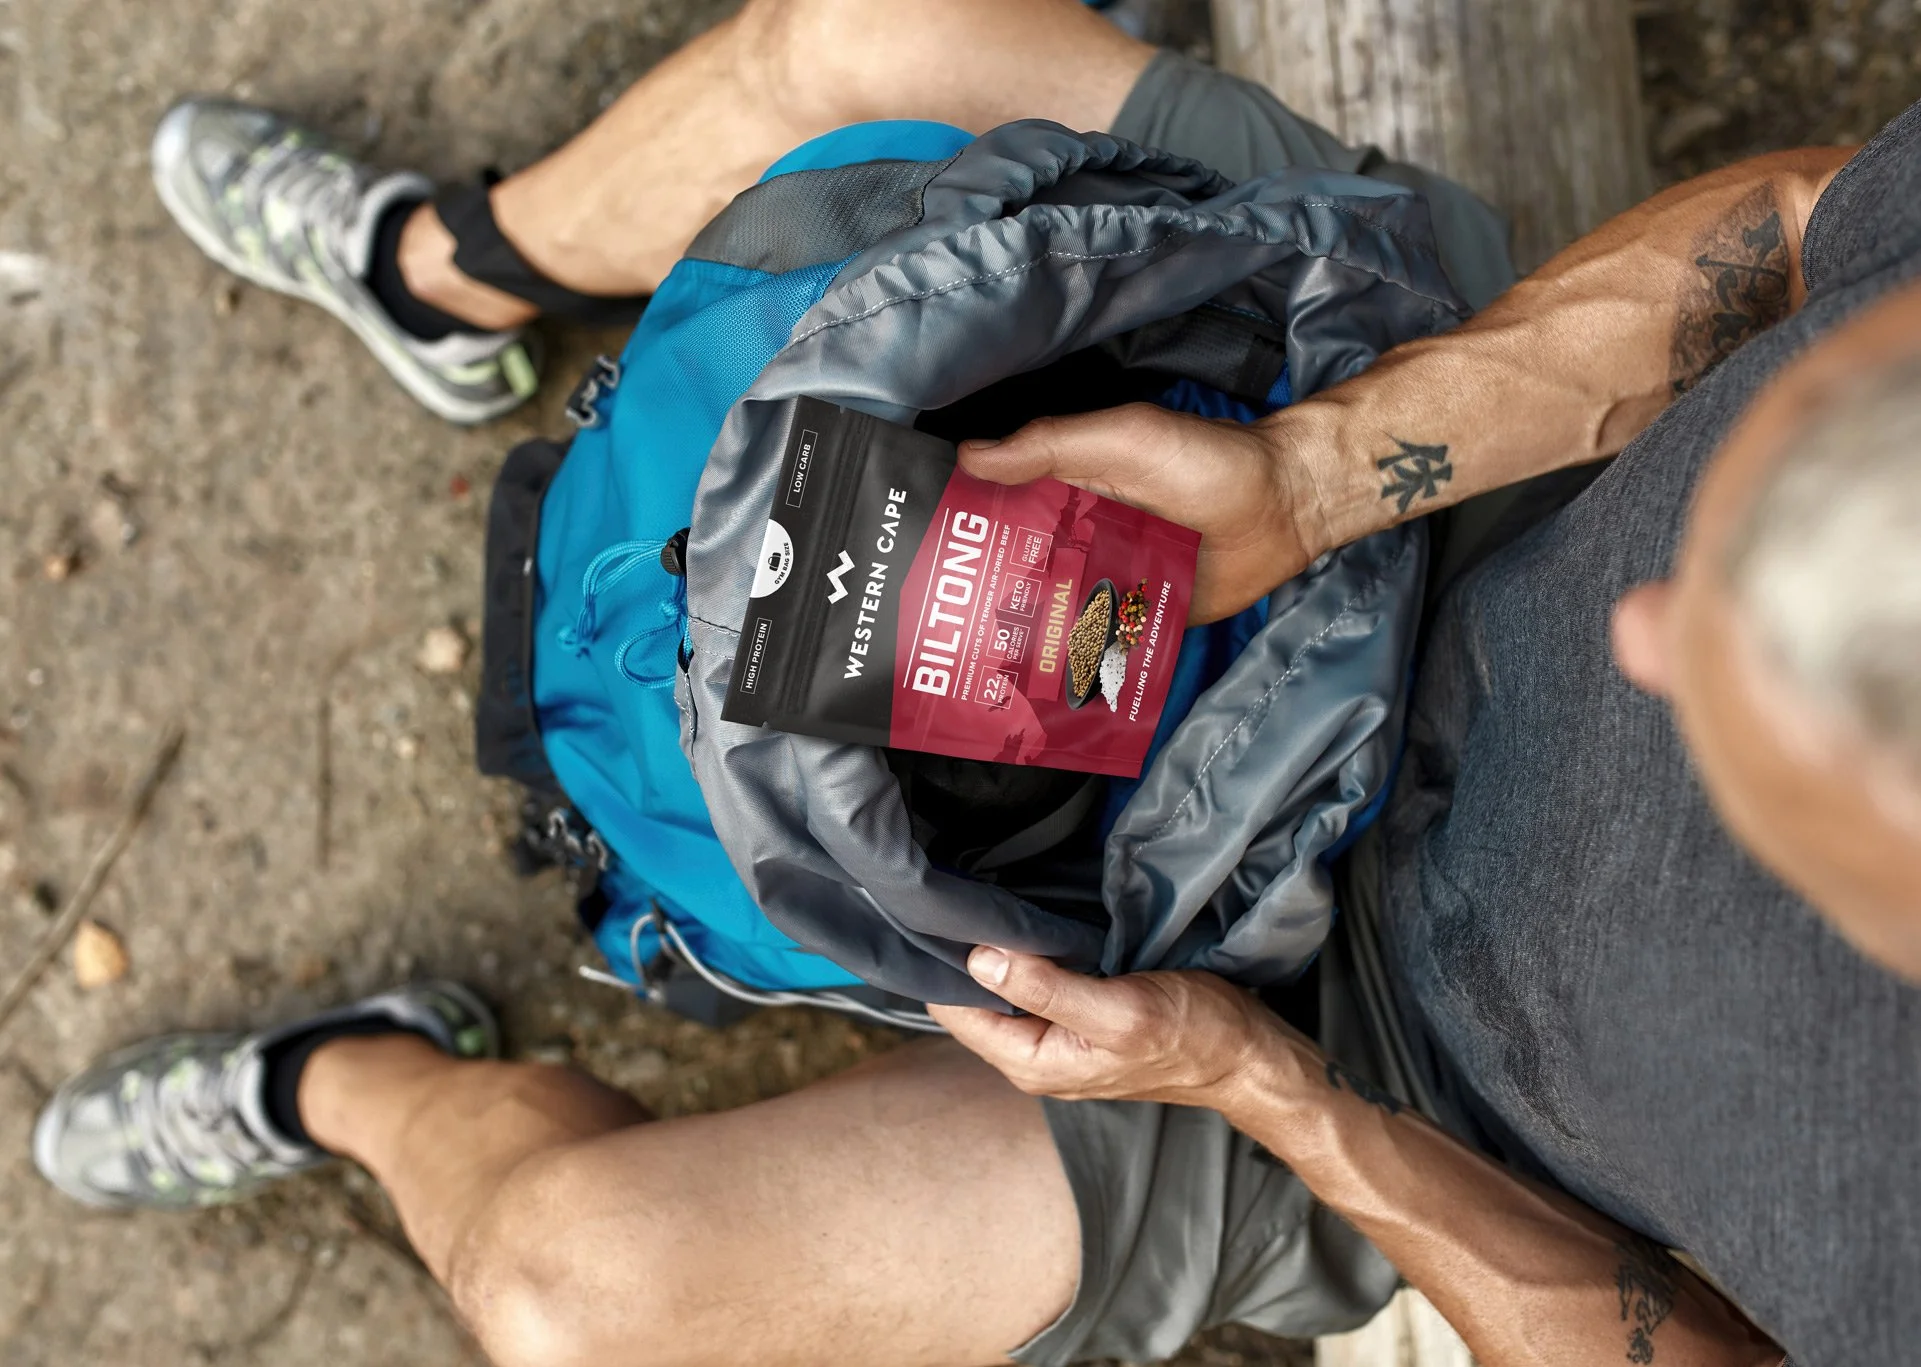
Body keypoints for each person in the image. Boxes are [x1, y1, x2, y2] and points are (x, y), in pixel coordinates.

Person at [31, 3, 1918, 1367]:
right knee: (862, 37)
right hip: (1408, 432)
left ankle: (342, 1086)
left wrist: (1261, 1083)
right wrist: (1316, 471)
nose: (1643, 629)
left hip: (1399, 1069)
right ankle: (447, 274)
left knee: (567, 1288)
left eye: (1767, 717)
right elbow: (1803, 229)